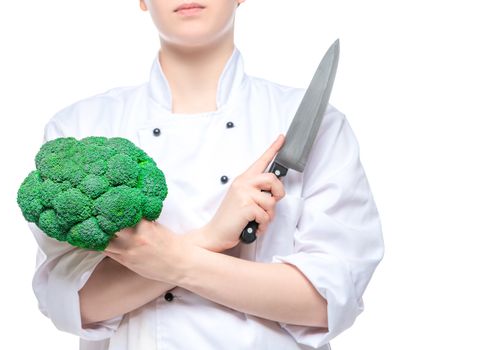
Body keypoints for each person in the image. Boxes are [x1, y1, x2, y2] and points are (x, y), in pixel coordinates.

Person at [28, 1, 384, 349]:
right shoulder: (80, 128)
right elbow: (73, 304)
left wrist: (179, 261)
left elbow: (327, 301)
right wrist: (211, 236)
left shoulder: (315, 123)